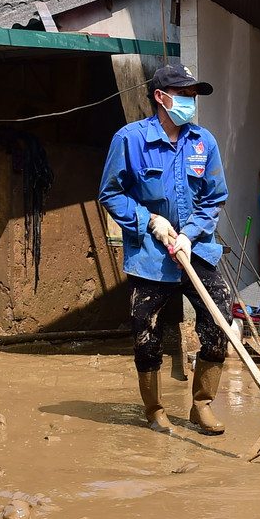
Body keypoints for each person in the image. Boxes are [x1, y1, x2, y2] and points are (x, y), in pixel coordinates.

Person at [99, 65, 231, 435]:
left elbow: (214, 197)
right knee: (146, 333)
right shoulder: (130, 139)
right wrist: (148, 221)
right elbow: (110, 193)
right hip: (150, 256)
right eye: (184, 94)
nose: (190, 101)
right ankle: (154, 410)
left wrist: (189, 235)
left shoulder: (203, 142)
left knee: (218, 320)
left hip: (197, 250)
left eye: (193, 95)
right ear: (161, 96)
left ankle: (201, 406)